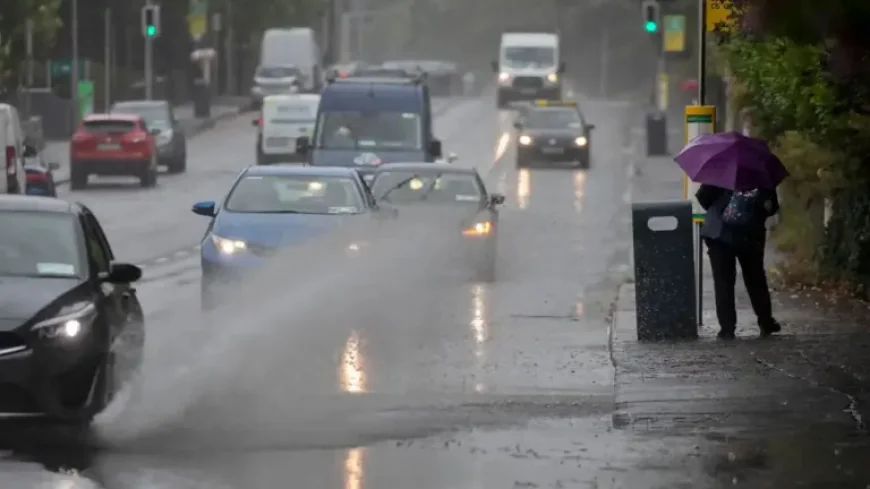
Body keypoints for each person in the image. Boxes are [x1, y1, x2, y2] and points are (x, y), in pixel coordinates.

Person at [696, 184, 782, 339]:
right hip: (750, 234)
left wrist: (721, 206)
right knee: (755, 278)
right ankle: (765, 321)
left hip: (719, 233)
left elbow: (703, 197)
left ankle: (727, 328)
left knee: (723, 281)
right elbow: (772, 207)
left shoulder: (720, 170)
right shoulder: (760, 175)